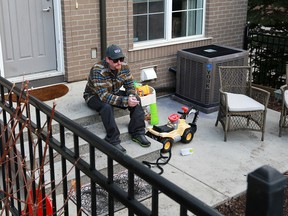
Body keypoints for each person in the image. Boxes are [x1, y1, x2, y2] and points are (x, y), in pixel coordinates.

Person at [83, 44, 151, 153]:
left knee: (136, 98)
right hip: (94, 96)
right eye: (115, 60)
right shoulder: (97, 70)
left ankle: (137, 132)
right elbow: (104, 96)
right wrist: (125, 101)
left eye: (121, 59)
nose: (119, 62)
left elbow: (130, 85)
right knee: (106, 107)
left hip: (113, 92)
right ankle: (112, 139)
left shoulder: (124, 67)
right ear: (107, 59)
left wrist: (131, 96)